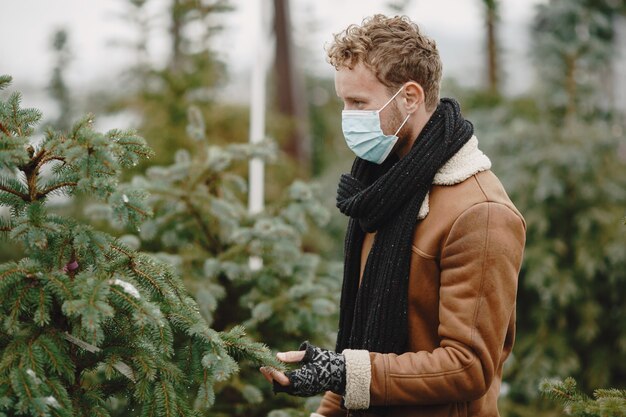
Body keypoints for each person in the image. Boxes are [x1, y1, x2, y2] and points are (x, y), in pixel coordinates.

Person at [259, 14, 526, 417]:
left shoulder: (481, 214)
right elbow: (364, 339)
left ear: (410, 97)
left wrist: (342, 372)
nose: (348, 116)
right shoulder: (385, 192)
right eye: (343, 102)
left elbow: (469, 367)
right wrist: (327, 407)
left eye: (358, 103)